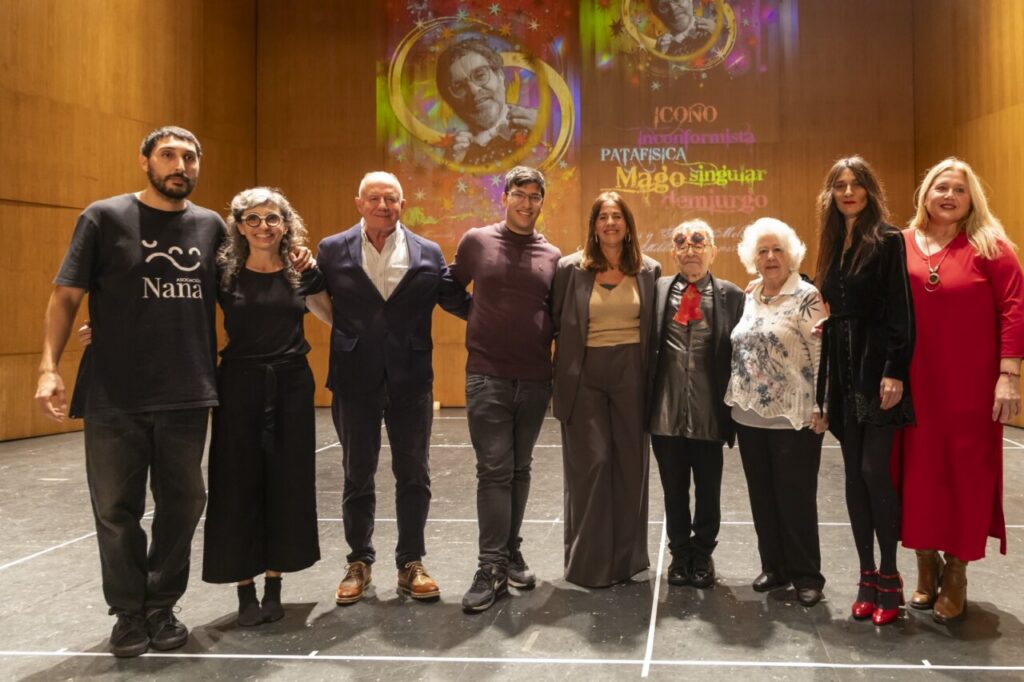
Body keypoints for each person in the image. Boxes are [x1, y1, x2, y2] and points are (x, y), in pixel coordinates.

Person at [34, 126, 221, 657]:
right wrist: (49, 367)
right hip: (115, 393)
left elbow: (246, 291)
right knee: (116, 510)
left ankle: (161, 605)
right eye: (168, 155)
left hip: (188, 389)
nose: (179, 164)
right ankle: (127, 613)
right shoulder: (103, 217)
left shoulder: (211, 226)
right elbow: (66, 296)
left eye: (189, 156)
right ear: (145, 162)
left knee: (183, 504)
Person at [313, 171, 470, 606]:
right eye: (375, 198)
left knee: (414, 474)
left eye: (392, 199)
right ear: (358, 202)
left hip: (411, 381)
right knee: (356, 474)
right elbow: (311, 295)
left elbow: (454, 300)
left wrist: (498, 320)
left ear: (402, 204)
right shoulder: (330, 249)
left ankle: (411, 562)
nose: (383, 205)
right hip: (353, 379)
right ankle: (358, 562)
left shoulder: (427, 251)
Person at [897, 158, 1024, 624]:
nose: (949, 196)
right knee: (920, 473)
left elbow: (1014, 307)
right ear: (925, 194)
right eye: (940, 187)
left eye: (959, 190)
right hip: (915, 382)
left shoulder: (992, 245)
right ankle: (925, 564)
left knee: (967, 473)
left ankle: (957, 572)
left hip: (972, 384)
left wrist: (1008, 373)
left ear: (972, 200)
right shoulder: (901, 244)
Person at [202, 188, 328, 626]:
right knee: (236, 485)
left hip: (291, 384)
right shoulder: (223, 275)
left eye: (271, 218)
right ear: (239, 226)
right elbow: (180, 317)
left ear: (285, 224)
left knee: (286, 483)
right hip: (238, 385)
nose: (262, 226)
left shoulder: (300, 271)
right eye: (252, 219)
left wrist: (313, 279)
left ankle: (275, 584)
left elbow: (331, 316)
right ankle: (244, 592)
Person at [449, 166, 561, 612]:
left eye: (535, 196)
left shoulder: (552, 255)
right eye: (520, 194)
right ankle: (490, 566)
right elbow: (448, 286)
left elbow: (555, 311)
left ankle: (510, 550)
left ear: (541, 201)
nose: (527, 202)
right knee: (494, 469)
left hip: (535, 379)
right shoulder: (477, 241)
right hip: (487, 375)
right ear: (506, 196)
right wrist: (478, 318)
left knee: (519, 469)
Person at [813, 157, 915, 626]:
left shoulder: (889, 239)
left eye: (856, 184)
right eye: (840, 185)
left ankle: (891, 575)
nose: (848, 192)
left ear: (870, 190)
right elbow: (840, 303)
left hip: (877, 371)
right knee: (853, 475)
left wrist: (895, 370)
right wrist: (826, 323)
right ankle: (865, 576)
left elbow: (900, 311)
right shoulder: (834, 242)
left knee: (875, 471)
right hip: (842, 370)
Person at [551, 191, 661, 587]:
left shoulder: (650, 269)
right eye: (603, 217)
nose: (611, 223)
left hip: (633, 372)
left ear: (628, 225)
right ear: (594, 226)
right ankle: (588, 563)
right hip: (584, 377)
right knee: (592, 465)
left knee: (631, 465)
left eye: (617, 216)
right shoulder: (569, 269)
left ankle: (626, 561)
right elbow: (555, 321)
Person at [725, 218, 828, 607]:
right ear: (753, 258)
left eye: (777, 250)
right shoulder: (751, 294)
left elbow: (821, 354)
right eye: (763, 251)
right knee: (762, 496)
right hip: (749, 416)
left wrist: (823, 405)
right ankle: (775, 567)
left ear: (791, 255)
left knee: (796, 497)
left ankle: (806, 574)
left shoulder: (806, 296)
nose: (770, 257)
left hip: (793, 416)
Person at [648, 219, 744, 589]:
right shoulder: (657, 291)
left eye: (698, 242)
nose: (690, 250)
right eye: (681, 244)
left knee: (708, 488)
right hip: (665, 411)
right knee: (673, 488)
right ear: (673, 252)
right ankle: (680, 554)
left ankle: (703, 553)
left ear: (713, 250)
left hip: (708, 412)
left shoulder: (731, 295)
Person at [436, 38, 537, 166]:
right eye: (459, 86)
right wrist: (451, 167)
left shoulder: (541, 125)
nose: (473, 90)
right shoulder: (455, 158)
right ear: (450, 101)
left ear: (500, 76)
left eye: (480, 75)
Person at [649, 0, 715, 57]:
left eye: (677, 0)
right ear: (659, 16)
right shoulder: (661, 49)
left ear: (690, 1)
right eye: (664, 6)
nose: (673, 8)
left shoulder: (714, 30)